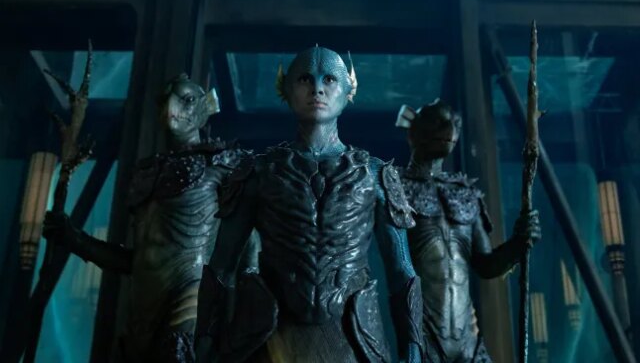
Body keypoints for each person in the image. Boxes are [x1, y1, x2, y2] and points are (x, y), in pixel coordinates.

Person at [195, 47, 424, 363]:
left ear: (348, 89)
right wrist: (204, 341)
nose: (317, 88)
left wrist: (413, 347)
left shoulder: (376, 175)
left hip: (354, 339)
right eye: (305, 79)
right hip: (268, 338)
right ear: (286, 89)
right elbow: (222, 266)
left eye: (329, 79)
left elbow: (402, 271)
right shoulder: (257, 172)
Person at [44, 74, 257, 362]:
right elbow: (137, 261)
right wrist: (74, 239)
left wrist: (242, 304)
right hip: (141, 314)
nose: (171, 107)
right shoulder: (149, 172)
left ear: (205, 106)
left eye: (187, 100)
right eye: (165, 100)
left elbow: (249, 242)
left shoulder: (222, 165)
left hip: (189, 302)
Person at [395, 100, 541, 362]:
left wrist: (519, 243)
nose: (450, 129)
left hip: (468, 343)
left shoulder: (465, 193)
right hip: (420, 340)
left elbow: (486, 265)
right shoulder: (394, 188)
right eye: (439, 122)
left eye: (455, 124)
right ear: (414, 130)